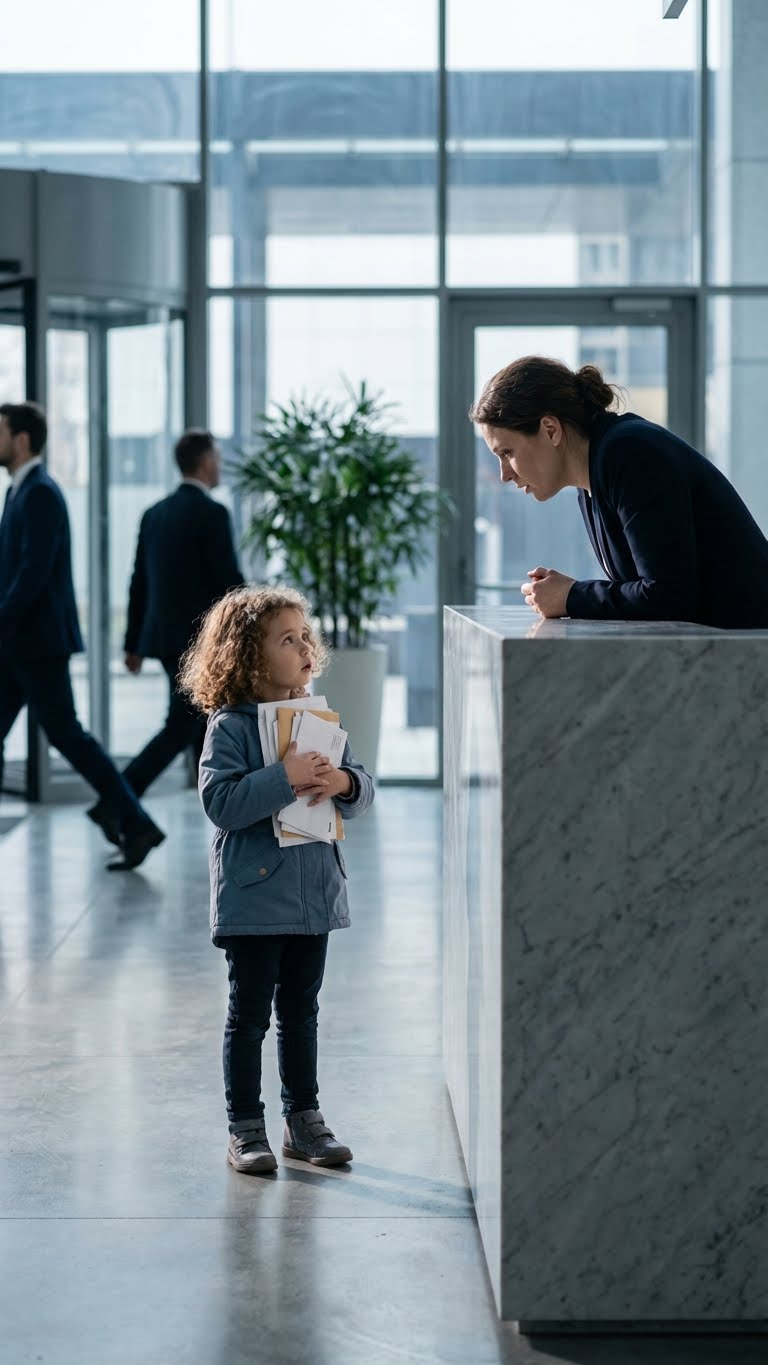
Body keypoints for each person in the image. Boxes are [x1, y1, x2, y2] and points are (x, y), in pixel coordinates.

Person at [180, 585, 374, 1175]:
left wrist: (344, 784)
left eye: (304, 637)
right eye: (286, 640)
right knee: (249, 1017)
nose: (304, 648)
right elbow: (222, 802)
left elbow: (360, 784)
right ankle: (245, 1126)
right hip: (255, 899)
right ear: (247, 656)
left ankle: (304, 1120)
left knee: (302, 1012)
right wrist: (284, 776)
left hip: (313, 896)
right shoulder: (231, 727)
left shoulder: (315, 715)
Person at [470, 355, 768, 628]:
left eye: (507, 452)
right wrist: (567, 594)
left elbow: (669, 598)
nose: (504, 474)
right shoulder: (592, 479)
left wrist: (571, 596)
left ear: (550, 429)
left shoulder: (630, 453)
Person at [0, 400, 165, 869]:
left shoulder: (40, 493)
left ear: (22, 439)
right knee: (66, 735)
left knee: (70, 737)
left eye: (1, 431)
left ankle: (137, 824)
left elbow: (32, 574)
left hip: (37, 644)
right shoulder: (20, 491)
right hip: (20, 643)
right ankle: (137, 824)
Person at [87, 429, 244, 846]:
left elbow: (139, 581)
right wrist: (252, 620)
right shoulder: (212, 514)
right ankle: (117, 800)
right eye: (217, 457)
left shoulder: (154, 513)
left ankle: (211, 808)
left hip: (162, 638)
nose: (221, 465)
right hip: (199, 642)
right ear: (205, 462)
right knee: (182, 724)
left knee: (197, 722)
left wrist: (133, 642)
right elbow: (229, 583)